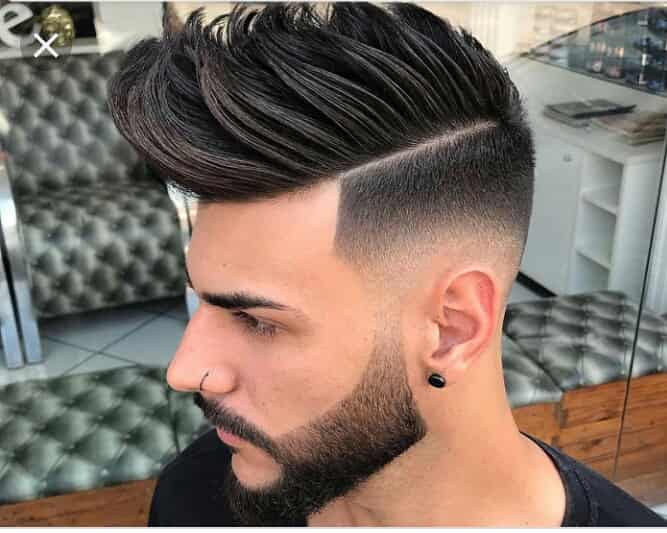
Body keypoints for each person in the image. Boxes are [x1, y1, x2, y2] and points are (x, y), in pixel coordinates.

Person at [107, 2, 667, 527]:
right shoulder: (197, 490)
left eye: (257, 321)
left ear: (452, 328)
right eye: (202, 299)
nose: (184, 371)